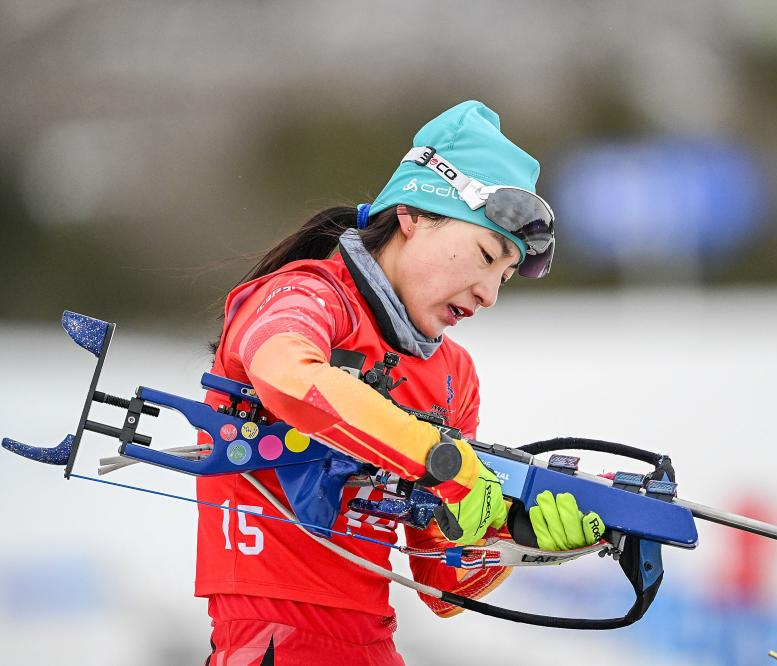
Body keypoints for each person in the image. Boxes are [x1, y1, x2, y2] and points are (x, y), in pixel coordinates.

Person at [196, 100, 604, 665]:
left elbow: (441, 580)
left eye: (506, 275)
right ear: (413, 215)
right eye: (486, 255)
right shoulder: (307, 296)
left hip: (371, 645)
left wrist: (518, 535)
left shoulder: (453, 374)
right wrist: (438, 456)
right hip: (273, 641)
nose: (489, 294)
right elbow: (288, 375)